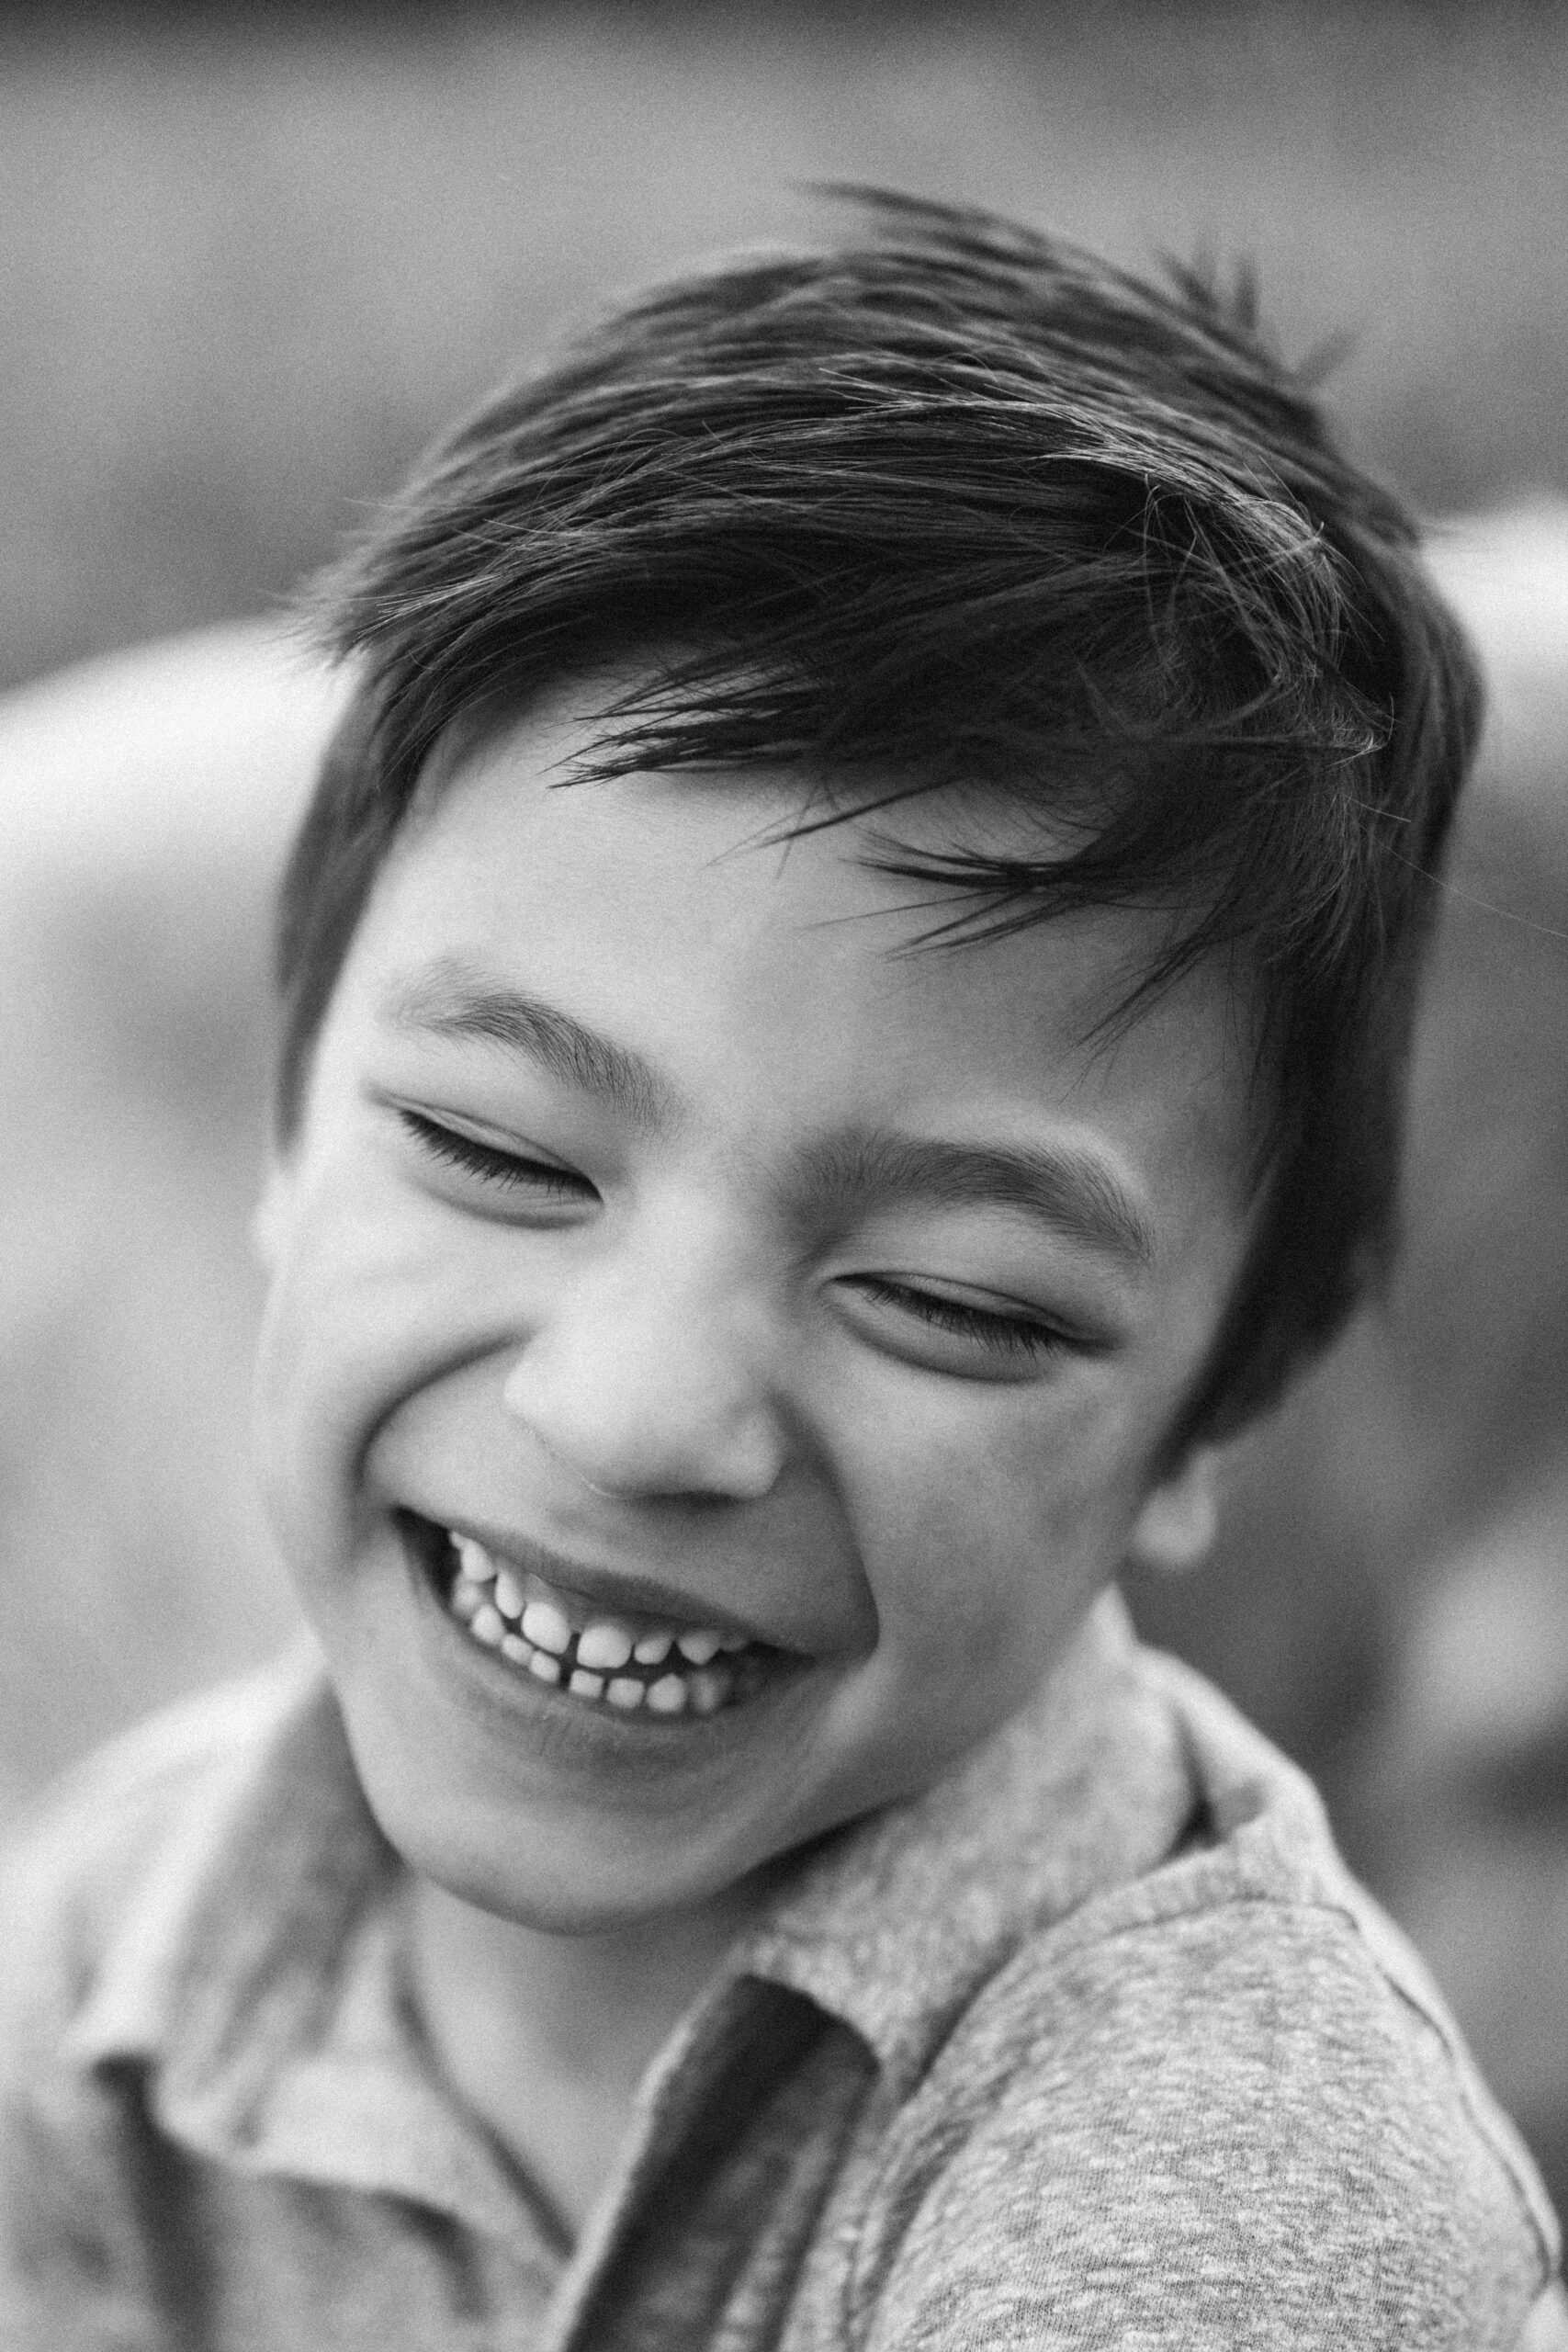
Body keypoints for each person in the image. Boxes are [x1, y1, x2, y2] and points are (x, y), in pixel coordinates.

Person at [3, 193, 1562, 2350]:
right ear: (278, 1135)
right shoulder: (124, 1916)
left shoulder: (1216, 2197)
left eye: (950, 1293)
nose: (638, 1408)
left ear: (1211, 1413)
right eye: (490, 1146)